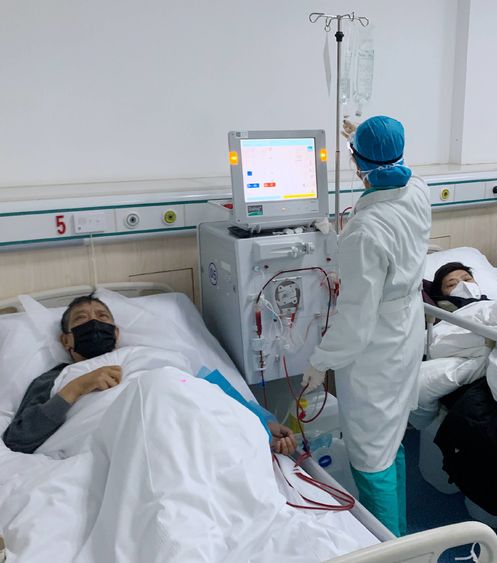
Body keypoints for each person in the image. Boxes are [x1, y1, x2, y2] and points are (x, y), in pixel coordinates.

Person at [302, 115, 431, 536]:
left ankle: (390, 550)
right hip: (407, 329)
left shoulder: (365, 231)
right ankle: (403, 536)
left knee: (370, 455)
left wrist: (320, 362)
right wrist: (363, 139)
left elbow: (355, 323)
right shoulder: (418, 191)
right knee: (390, 441)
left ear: (357, 163)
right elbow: (391, 167)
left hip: (377, 350)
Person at [3, 295, 296, 455]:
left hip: (185, 428)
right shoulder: (56, 379)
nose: (94, 322)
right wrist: (78, 387)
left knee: (163, 382)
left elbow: (207, 390)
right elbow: (19, 438)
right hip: (121, 444)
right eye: (81, 319)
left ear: (117, 332)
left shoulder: (154, 354)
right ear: (66, 340)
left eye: (102, 317)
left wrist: (261, 423)